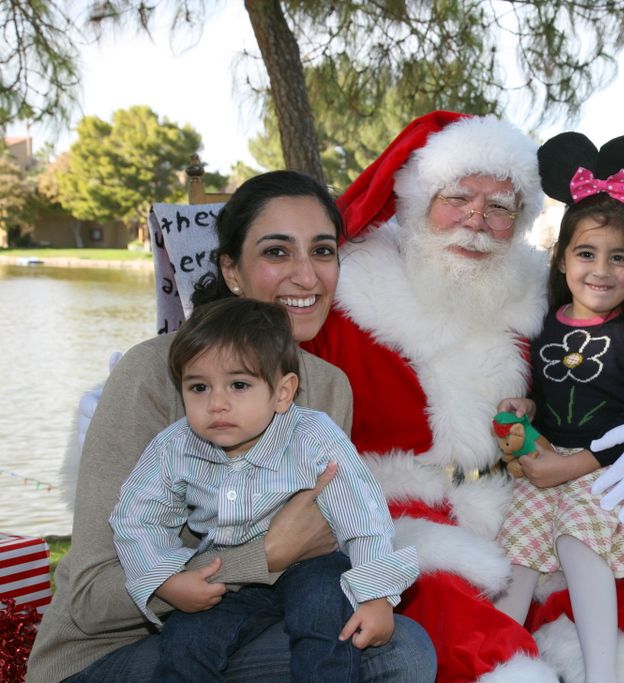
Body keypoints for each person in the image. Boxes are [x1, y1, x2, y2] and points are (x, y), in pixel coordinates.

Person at [302, 111, 624, 682]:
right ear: (416, 199)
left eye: (500, 207)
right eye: (457, 198)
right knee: (431, 586)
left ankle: (575, 649)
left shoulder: (541, 290)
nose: (477, 222)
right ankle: (514, 662)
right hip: (407, 508)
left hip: (534, 493)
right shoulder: (350, 295)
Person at [26, 171, 437, 683]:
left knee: (396, 644)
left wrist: (359, 580)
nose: (307, 276)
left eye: (323, 251)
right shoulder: (153, 375)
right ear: (232, 271)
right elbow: (90, 595)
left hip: (244, 623)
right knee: (393, 656)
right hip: (110, 651)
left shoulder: (328, 387)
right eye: (277, 252)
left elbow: (323, 542)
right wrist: (262, 556)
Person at [109, 297, 418, 682]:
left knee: (327, 617)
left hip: (311, 565)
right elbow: (136, 518)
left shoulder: (314, 437)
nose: (217, 404)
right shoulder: (175, 447)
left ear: (283, 392)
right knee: (186, 640)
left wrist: (375, 596)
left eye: (239, 385)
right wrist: (165, 580)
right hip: (233, 577)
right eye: (199, 387)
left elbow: (364, 516)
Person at [492, 132, 624, 683]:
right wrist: (523, 406)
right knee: (516, 552)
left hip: (605, 472)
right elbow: (546, 396)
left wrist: (574, 466)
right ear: (563, 258)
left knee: (577, 539)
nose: (602, 270)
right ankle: (500, 661)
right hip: (543, 464)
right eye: (587, 254)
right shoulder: (547, 322)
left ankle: (602, 673)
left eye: (619, 258)